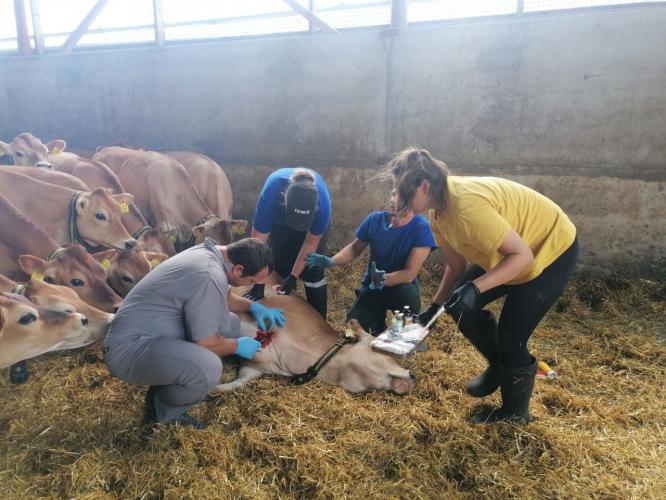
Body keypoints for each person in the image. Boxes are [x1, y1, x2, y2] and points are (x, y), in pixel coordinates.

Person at [388, 147, 578, 425]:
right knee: (461, 308)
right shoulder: (438, 215)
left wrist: (476, 288)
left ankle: (515, 414)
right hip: (512, 251)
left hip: (548, 251)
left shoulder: (466, 208)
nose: (397, 200)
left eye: (402, 193)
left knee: (512, 338)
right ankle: (499, 367)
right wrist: (434, 308)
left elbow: (523, 257)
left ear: (424, 186)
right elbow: (456, 267)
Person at [103, 237, 286, 429]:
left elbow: (226, 297)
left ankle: (180, 372)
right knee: (208, 369)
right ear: (238, 269)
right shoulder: (209, 275)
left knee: (229, 322)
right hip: (129, 349)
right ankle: (163, 412)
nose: (247, 285)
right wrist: (238, 345)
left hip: (151, 329)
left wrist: (255, 307)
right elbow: (206, 343)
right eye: (250, 281)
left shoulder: (212, 255)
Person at [306, 188, 436, 335]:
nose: (393, 199)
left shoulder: (421, 228)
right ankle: (377, 325)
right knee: (352, 332)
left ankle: (405, 329)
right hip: (373, 287)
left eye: (399, 196)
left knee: (408, 295)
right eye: (393, 194)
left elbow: (409, 274)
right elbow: (355, 248)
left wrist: (384, 279)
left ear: (411, 201)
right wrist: (331, 261)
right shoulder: (375, 220)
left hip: (400, 288)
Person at [244, 168, 332, 317]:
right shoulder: (271, 195)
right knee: (280, 261)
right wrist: (259, 282)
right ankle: (287, 313)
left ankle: (320, 318)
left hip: (311, 221)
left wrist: (293, 277)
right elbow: (259, 243)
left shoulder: (323, 207)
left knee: (312, 266)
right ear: (284, 200)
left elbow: (310, 244)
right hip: (281, 221)